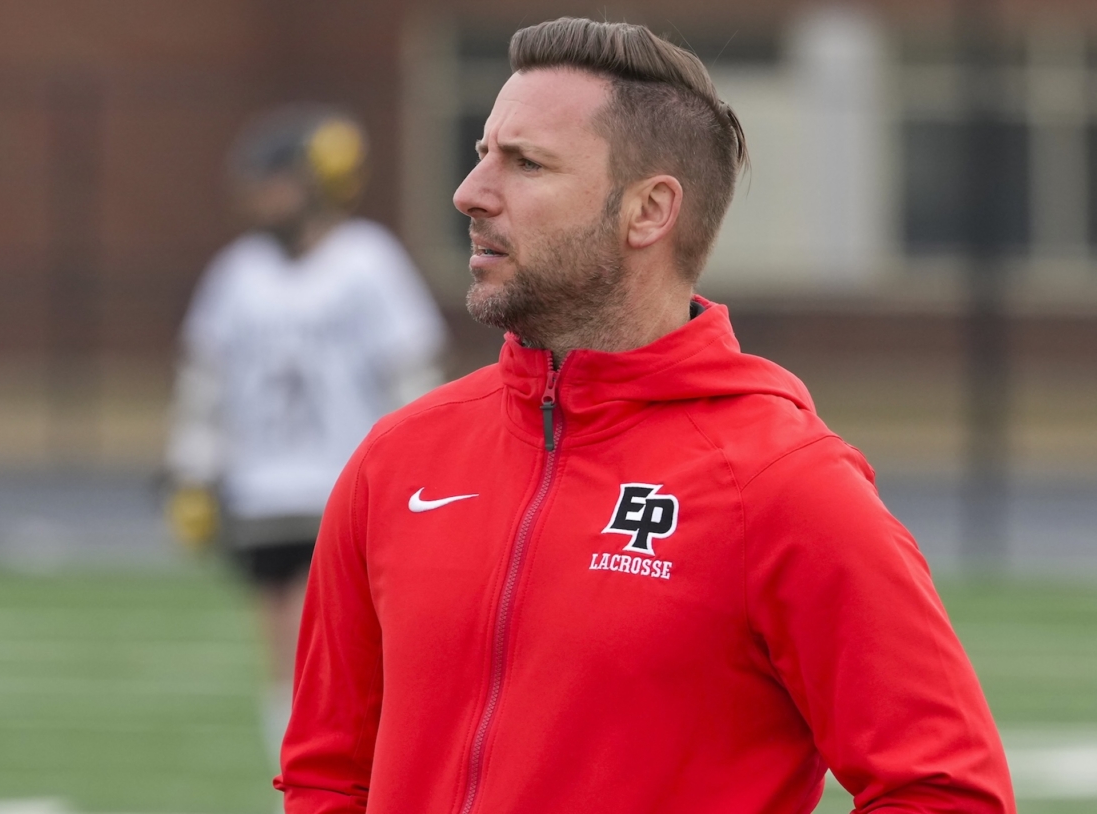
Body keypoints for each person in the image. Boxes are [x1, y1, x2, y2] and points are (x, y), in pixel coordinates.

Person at [275, 18, 1014, 814]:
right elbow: (329, 774)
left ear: (649, 210)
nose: (471, 192)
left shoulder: (783, 485)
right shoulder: (398, 460)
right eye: (483, 152)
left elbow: (945, 790)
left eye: (525, 163)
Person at [163, 104, 447, 766]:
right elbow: (205, 382)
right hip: (264, 490)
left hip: (344, 488)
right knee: (282, 650)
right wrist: (193, 471)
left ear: (320, 182)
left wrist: (420, 473)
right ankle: (298, 781)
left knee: (352, 653)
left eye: (278, 181)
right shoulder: (237, 273)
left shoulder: (369, 263)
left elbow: (411, 376)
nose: (264, 198)